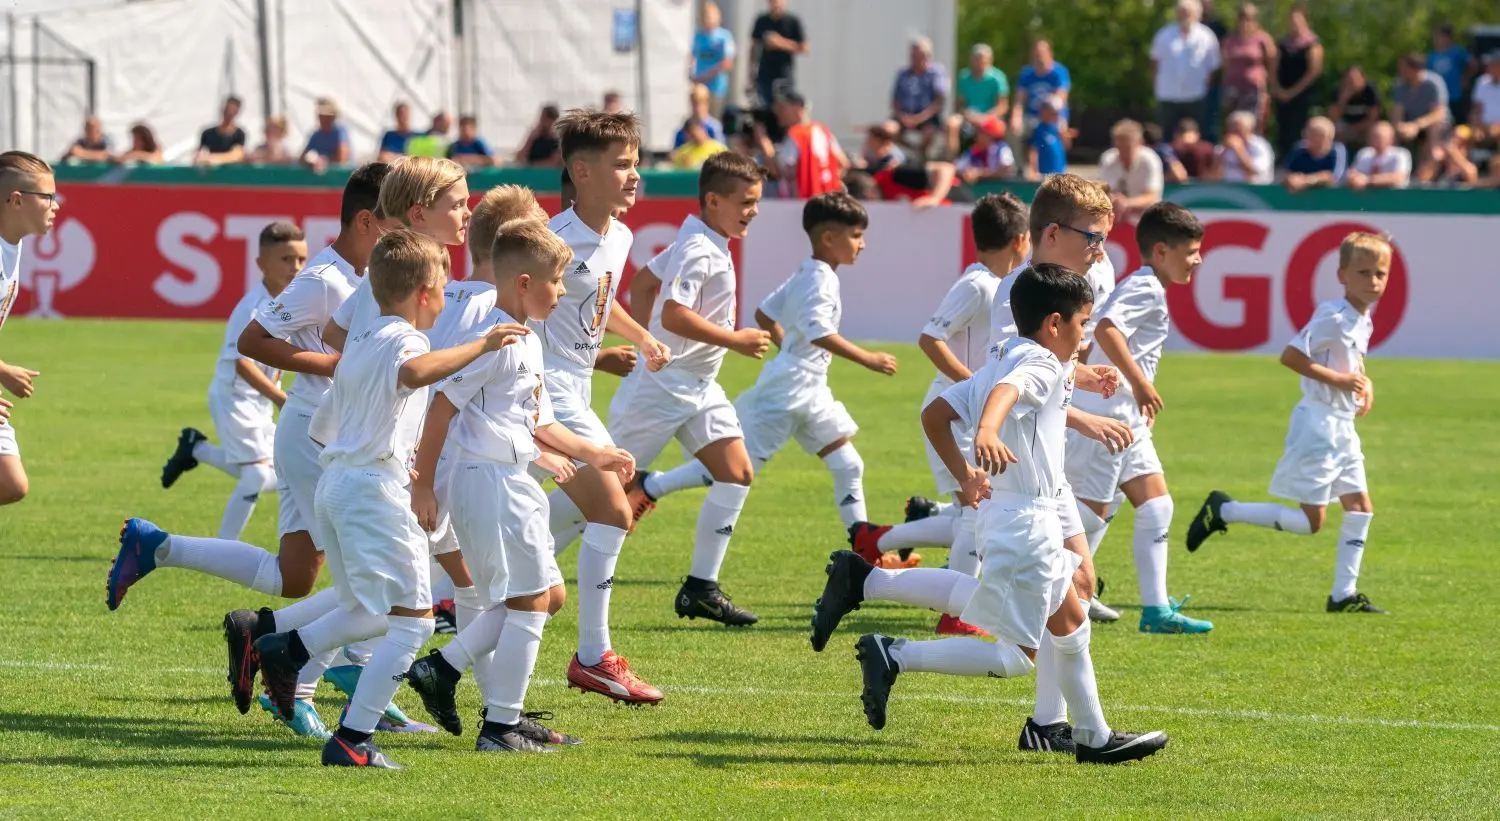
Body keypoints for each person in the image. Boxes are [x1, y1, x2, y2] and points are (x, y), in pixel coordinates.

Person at [816, 263, 1169, 764]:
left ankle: (1093, 736)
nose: (1086, 335)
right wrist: (986, 431)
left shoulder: (1005, 353)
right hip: (1029, 523)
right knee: (1013, 657)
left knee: (1070, 620)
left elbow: (935, 415)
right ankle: (895, 654)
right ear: (1053, 323)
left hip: (1009, 513)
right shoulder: (1039, 365)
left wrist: (966, 475)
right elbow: (1012, 394)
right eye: (1082, 324)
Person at [107, 164, 391, 726]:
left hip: (318, 432)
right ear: (368, 219)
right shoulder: (328, 278)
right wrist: (340, 363)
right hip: (316, 434)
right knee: (368, 582)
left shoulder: (358, 274)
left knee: (297, 576)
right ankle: (312, 680)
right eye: (405, 215)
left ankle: (162, 548)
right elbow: (251, 342)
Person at [251, 229, 527, 768]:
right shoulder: (407, 340)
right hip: (372, 488)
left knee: (363, 608)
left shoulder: (360, 336)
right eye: (444, 287)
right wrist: (482, 344)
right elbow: (414, 372)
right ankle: (352, 739)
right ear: (424, 291)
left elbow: (329, 423)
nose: (447, 297)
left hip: (338, 484)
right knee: (415, 623)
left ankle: (288, 650)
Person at [407, 217, 631, 753]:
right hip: (488, 483)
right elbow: (441, 408)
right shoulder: (494, 340)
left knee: (543, 597)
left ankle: (449, 673)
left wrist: (595, 452)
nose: (563, 292)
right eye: (556, 281)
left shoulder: (528, 340)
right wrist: (423, 485)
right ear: (524, 283)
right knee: (528, 600)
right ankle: (499, 724)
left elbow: (540, 422)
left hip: (511, 482)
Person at [630, 191, 893, 539]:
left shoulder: (809, 271)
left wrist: (788, 350)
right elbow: (818, 332)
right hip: (789, 392)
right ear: (829, 238)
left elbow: (765, 313)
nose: (863, 245)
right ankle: (651, 486)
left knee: (848, 463)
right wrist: (868, 359)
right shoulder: (820, 280)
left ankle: (863, 544)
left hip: (806, 384)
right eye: (857, 236)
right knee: (733, 470)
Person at [535, 109, 671, 704]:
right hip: (545, 391)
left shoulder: (619, 235)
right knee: (614, 506)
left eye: (637, 163)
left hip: (576, 388)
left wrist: (638, 337)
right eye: (622, 165)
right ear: (581, 172)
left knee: (556, 517)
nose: (634, 175)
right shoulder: (550, 241)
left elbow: (600, 299)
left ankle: (447, 602)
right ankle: (593, 656)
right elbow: (522, 319)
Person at [1187, 232, 1392, 615]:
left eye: (1381, 273)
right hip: (1318, 425)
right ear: (1342, 275)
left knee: (1361, 507)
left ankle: (1343, 595)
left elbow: (1350, 363)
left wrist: (1364, 384)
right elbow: (1292, 356)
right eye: (1363, 273)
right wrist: (1343, 382)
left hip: (1342, 426)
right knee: (1311, 522)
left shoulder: (1362, 318)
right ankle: (1225, 511)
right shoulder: (1332, 315)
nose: (1374, 281)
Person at [609, 152, 770, 628]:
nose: (754, 211)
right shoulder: (701, 248)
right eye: (745, 202)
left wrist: (645, 342)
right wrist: (734, 340)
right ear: (713, 200)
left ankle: (701, 589)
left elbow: (642, 284)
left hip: (698, 386)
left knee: (737, 471)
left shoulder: (699, 238)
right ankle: (513, 578)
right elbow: (674, 312)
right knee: (596, 492)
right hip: (662, 391)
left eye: (757, 202)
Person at [854, 193, 1029, 614]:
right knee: (977, 511)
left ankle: (876, 540)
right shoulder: (977, 285)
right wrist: (976, 386)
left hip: (968, 409)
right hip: (954, 411)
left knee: (973, 512)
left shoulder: (999, 285)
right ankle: (958, 613)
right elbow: (929, 338)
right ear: (1021, 240)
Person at [1067, 202, 1212, 635]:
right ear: (1163, 251)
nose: (1198, 259)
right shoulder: (1146, 285)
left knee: (1156, 505)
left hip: (1127, 419)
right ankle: (1060, 591)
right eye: (1191, 251)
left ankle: (1155, 612)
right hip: (1107, 417)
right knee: (1088, 515)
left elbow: (1100, 337)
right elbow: (1109, 328)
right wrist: (1141, 384)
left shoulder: (1149, 285)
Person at [161, 222, 305, 542]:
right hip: (235, 399)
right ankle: (224, 547)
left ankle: (196, 449)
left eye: (300, 260)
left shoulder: (294, 303)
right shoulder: (251, 308)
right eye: (285, 260)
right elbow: (242, 364)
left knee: (278, 473)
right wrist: (281, 398)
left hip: (260, 402)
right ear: (261, 265)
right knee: (256, 475)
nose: (295, 267)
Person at [0, 151, 59, 506]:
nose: (56, 205)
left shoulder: (12, 246)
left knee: (11, 483)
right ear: (17, 200)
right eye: (48, 196)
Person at [1150, 0, 1221, 135]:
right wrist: (1157, 85)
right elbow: (1154, 63)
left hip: (1196, 96)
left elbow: (1214, 67)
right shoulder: (1163, 35)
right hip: (1168, 95)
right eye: (1182, 12)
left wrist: (1205, 86)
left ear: (1198, 15)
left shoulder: (1207, 36)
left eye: (1189, 13)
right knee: (1167, 134)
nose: (1185, 16)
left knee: (1197, 134)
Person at [766, 91, 847, 199]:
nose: (777, 113)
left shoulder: (796, 134)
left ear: (797, 108)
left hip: (801, 199)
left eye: (782, 108)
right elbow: (843, 163)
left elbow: (779, 169)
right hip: (827, 198)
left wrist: (763, 141)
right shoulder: (824, 131)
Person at [1270, 3, 1323, 159]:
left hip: (1302, 95)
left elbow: (1313, 72)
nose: (1294, 23)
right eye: (1291, 20)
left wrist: (1293, 92)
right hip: (1283, 94)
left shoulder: (1312, 44)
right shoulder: (1283, 43)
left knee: (1300, 129)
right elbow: (1273, 68)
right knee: (1283, 129)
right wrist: (1277, 88)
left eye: (1297, 20)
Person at [1009, 40, 1071, 164]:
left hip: (1054, 115)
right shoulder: (1027, 74)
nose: (1039, 57)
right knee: (1013, 132)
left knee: (1059, 133)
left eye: (1042, 53)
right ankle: (1020, 169)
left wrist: (1048, 114)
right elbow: (1019, 101)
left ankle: (1058, 169)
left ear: (1050, 53)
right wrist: (1016, 117)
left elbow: (1060, 99)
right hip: (1032, 116)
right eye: (1036, 54)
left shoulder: (1059, 72)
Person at [946, 44, 1011, 159]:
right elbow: (960, 105)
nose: (980, 62)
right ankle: (953, 161)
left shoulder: (998, 78)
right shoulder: (964, 77)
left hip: (990, 117)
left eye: (983, 59)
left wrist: (985, 117)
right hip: (969, 117)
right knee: (952, 123)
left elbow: (1003, 106)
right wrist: (968, 115)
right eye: (977, 59)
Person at [1219, 3, 1275, 130]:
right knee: (1232, 125)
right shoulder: (1229, 40)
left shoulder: (1263, 39)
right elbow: (1225, 63)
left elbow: (1271, 61)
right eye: (1242, 18)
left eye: (1249, 19)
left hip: (1253, 89)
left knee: (1253, 125)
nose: (1245, 22)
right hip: (1232, 88)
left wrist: (1268, 85)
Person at [892, 36, 948, 157]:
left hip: (927, 118)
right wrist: (902, 116)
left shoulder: (936, 73)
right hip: (905, 116)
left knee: (929, 133)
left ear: (927, 55)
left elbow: (939, 101)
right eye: (913, 55)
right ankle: (910, 153)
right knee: (888, 129)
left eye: (919, 55)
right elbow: (895, 100)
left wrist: (919, 118)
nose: (916, 58)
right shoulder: (903, 74)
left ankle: (921, 156)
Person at [1098, 119, 1164, 223]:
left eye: (1127, 147)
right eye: (1119, 147)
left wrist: (1127, 203)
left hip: (1147, 220)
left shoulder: (1150, 160)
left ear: (1139, 142)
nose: (1123, 152)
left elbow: (1152, 196)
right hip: (1117, 220)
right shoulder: (1108, 158)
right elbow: (1105, 191)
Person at [748, 0, 808, 107]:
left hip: (784, 75)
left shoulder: (792, 21)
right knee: (766, 108)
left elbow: (804, 48)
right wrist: (751, 73)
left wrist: (780, 43)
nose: (776, 4)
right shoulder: (761, 21)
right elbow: (753, 47)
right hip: (764, 75)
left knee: (784, 108)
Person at [1391, 53, 1449, 151]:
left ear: (1416, 69)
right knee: (1386, 131)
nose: (1401, 71)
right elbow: (1397, 112)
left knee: (1433, 131)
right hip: (1409, 124)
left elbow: (1438, 114)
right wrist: (1400, 127)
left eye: (1404, 68)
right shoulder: (1400, 86)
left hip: (1432, 124)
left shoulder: (1433, 83)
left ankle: (1431, 162)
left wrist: (1416, 125)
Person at [691, 2, 736, 119]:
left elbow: (727, 62)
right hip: (700, 86)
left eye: (711, 15)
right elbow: (692, 56)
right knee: (699, 118)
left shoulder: (724, 36)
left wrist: (707, 75)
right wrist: (692, 74)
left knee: (714, 118)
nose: (708, 19)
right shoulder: (699, 36)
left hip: (716, 86)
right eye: (706, 15)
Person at [1282, 116, 1347, 192]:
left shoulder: (1337, 150)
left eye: (1313, 134)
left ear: (1326, 138)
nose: (1305, 136)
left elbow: (1334, 177)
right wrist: (1292, 179)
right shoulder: (1299, 149)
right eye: (1307, 132)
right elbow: (1286, 173)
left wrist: (1307, 181)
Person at [1428, 22, 1474, 125]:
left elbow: (1472, 64)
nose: (1436, 39)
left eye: (1439, 36)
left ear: (1447, 38)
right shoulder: (1432, 55)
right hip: (1437, 96)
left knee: (1457, 123)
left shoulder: (1457, 52)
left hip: (1454, 94)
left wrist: (1466, 77)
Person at [1344, 122, 1412, 190]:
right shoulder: (1364, 153)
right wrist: (1353, 178)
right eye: (1374, 136)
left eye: (1380, 137)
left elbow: (1399, 178)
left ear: (1391, 139)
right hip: (1366, 198)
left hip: (1395, 198)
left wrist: (1368, 180)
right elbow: (1353, 173)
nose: (1377, 140)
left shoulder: (1401, 154)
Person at [1329, 66, 1382, 148]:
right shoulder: (1337, 91)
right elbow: (1333, 118)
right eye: (1349, 79)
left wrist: (1354, 129)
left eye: (1356, 79)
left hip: (1363, 126)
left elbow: (1373, 118)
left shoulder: (1370, 91)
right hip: (1345, 126)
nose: (1352, 82)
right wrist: (1343, 99)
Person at [1216, 110, 1274, 183]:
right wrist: (1222, 154)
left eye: (1238, 129)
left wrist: (1239, 150)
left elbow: (1254, 172)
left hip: (1255, 191)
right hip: (1229, 190)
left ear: (1250, 130)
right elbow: (1213, 176)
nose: (1233, 132)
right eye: (1231, 128)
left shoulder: (1260, 146)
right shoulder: (1223, 148)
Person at [955, 117, 1015, 184]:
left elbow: (1006, 168)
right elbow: (956, 168)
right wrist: (967, 172)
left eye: (981, 132)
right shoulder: (974, 150)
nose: (978, 134)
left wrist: (979, 173)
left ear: (989, 135)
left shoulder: (1002, 148)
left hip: (1000, 189)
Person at [1415, 125, 1480, 186]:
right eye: (1453, 137)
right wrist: (1435, 160)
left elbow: (1471, 175)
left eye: (1460, 143)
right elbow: (1422, 179)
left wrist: (1453, 153)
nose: (1454, 142)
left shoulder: (1470, 162)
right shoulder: (1440, 165)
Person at [194, 96, 247, 166]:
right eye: (227, 109)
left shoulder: (239, 134)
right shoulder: (207, 133)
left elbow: (236, 155)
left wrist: (211, 159)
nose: (228, 113)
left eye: (232, 110)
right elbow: (198, 155)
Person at [302, 97, 352, 172]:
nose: (321, 118)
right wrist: (311, 161)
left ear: (332, 116)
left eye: (325, 115)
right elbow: (302, 158)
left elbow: (342, 158)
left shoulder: (340, 131)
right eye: (320, 115)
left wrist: (323, 160)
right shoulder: (316, 135)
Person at [1025, 96, 1068, 179]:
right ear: (1044, 112)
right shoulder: (1038, 130)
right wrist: (1034, 170)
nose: (1057, 115)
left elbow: (1066, 146)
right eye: (1054, 112)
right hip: (1044, 175)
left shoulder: (1056, 129)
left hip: (1059, 173)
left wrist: (1064, 134)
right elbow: (1033, 151)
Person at [674, 84, 727, 149]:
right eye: (694, 103)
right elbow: (676, 152)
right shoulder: (683, 129)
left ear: (707, 103)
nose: (697, 108)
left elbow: (721, 150)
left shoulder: (714, 127)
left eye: (701, 103)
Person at [1467, 52, 1500, 149]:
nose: (1489, 67)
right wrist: (1476, 127)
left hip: (1497, 127)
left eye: (1493, 64)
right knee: (1459, 136)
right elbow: (1476, 109)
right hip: (1483, 126)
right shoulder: (1481, 82)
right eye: (1489, 65)